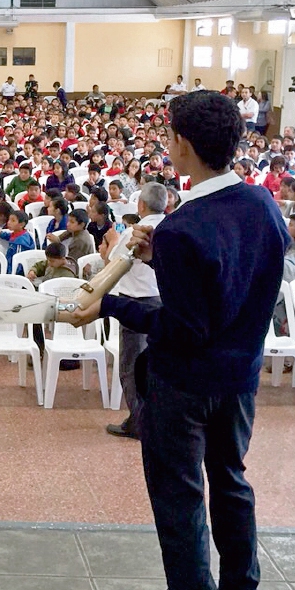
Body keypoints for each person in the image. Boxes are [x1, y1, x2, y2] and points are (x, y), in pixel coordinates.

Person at [70, 90, 289, 590]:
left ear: (182, 144)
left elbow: (181, 328)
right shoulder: (262, 206)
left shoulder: (185, 227)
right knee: (231, 484)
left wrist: (111, 307)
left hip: (185, 386)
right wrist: (158, 254)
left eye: (169, 136)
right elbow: (233, 287)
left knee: (181, 495)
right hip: (239, 380)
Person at [99, 182, 167, 440]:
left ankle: (138, 422)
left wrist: (113, 240)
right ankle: (155, 417)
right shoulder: (172, 228)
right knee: (156, 364)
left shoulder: (135, 232)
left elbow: (111, 262)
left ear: (141, 205)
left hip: (136, 303)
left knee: (131, 365)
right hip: (162, 301)